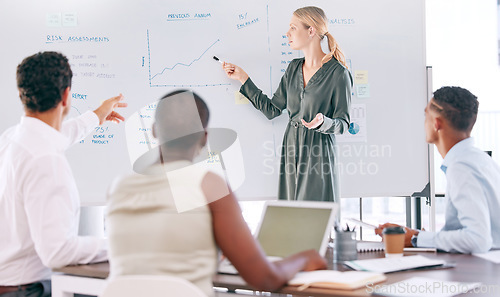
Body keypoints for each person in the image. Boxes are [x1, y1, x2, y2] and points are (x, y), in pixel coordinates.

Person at [106, 90, 327, 297]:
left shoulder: (118, 187)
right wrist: (306, 258)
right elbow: (265, 278)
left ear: (154, 130)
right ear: (204, 138)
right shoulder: (207, 185)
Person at [0, 51, 127, 296]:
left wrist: (96, 116)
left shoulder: (11, 139)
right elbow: (57, 251)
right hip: (28, 290)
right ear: (67, 95)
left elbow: (55, 135)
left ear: (21, 94)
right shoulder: (45, 159)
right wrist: (121, 245)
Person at [222, 6, 351, 202]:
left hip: (318, 151)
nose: (287, 33)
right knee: (291, 210)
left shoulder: (338, 73)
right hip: (290, 148)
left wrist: (323, 122)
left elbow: (343, 124)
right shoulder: (292, 68)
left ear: (311, 31)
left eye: (293, 27)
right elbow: (272, 110)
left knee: (314, 213)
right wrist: (243, 78)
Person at [375, 86, 500, 254]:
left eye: (425, 116)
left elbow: (477, 239)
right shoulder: (480, 160)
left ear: (436, 123)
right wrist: (422, 237)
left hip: (482, 272)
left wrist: (416, 238)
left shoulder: (461, 167)